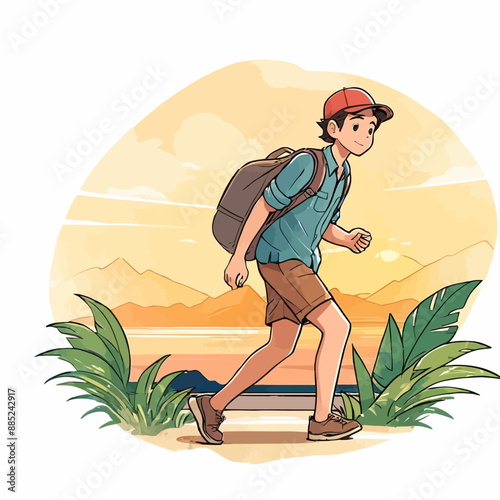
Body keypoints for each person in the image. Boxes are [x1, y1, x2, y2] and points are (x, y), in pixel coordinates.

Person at [188, 87, 393, 444]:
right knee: (337, 327)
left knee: (281, 346)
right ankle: (322, 419)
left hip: (300, 262)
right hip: (283, 259)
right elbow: (264, 207)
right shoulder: (307, 163)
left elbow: (320, 222)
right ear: (333, 128)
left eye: (371, 129)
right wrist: (237, 257)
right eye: (357, 126)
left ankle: (212, 405)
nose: (366, 136)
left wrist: (346, 239)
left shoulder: (343, 176)